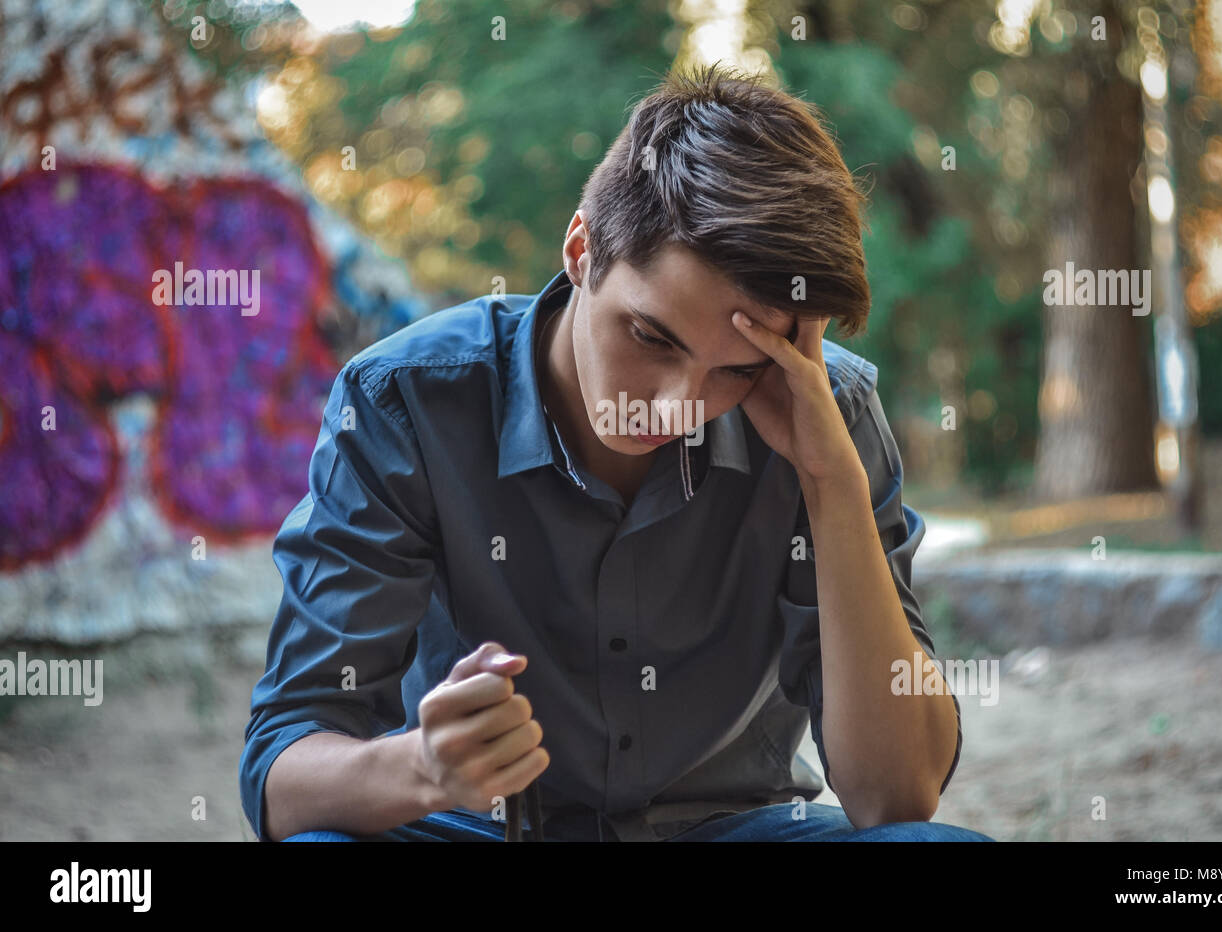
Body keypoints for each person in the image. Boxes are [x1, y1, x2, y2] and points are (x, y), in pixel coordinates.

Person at [238, 63, 993, 843]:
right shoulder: (405, 401)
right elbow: (279, 778)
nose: (674, 404)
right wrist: (424, 768)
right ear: (580, 249)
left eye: (735, 368)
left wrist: (827, 479)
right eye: (650, 336)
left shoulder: (824, 416)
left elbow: (897, 800)